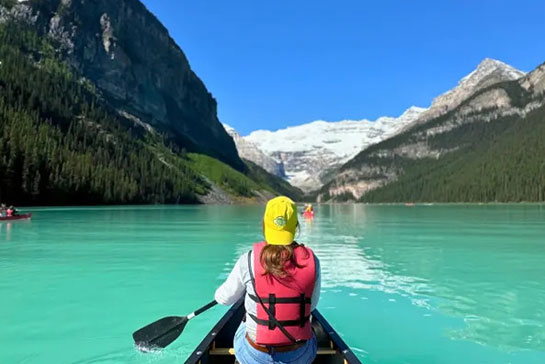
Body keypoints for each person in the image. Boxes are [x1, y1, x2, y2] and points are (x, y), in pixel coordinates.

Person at [215, 196, 321, 364]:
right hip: (298, 355)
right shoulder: (312, 261)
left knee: (243, 320)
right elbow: (312, 305)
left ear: (264, 224)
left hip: (255, 355)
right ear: (295, 226)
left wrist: (219, 295)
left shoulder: (248, 260)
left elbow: (225, 299)